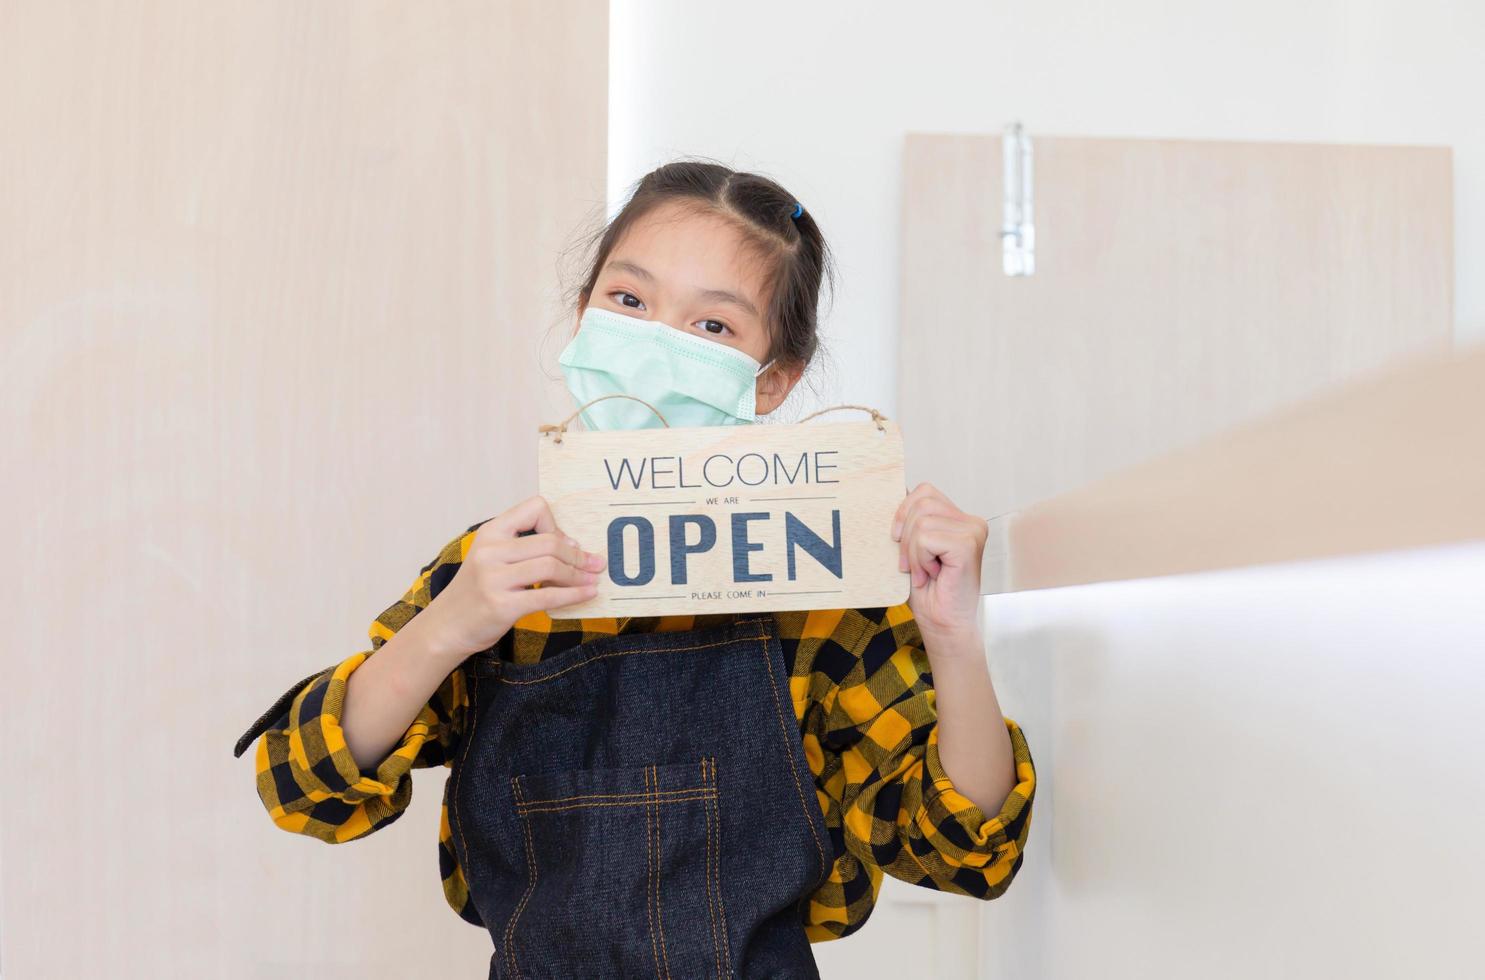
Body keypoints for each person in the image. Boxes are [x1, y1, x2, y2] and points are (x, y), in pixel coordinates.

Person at [233, 159, 1037, 979]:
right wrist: (449, 625)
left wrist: (952, 637)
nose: (654, 342)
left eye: (712, 327)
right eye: (628, 301)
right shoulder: (502, 569)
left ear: (772, 383)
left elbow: (966, 854)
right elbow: (304, 788)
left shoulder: (823, 585)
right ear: (582, 314)